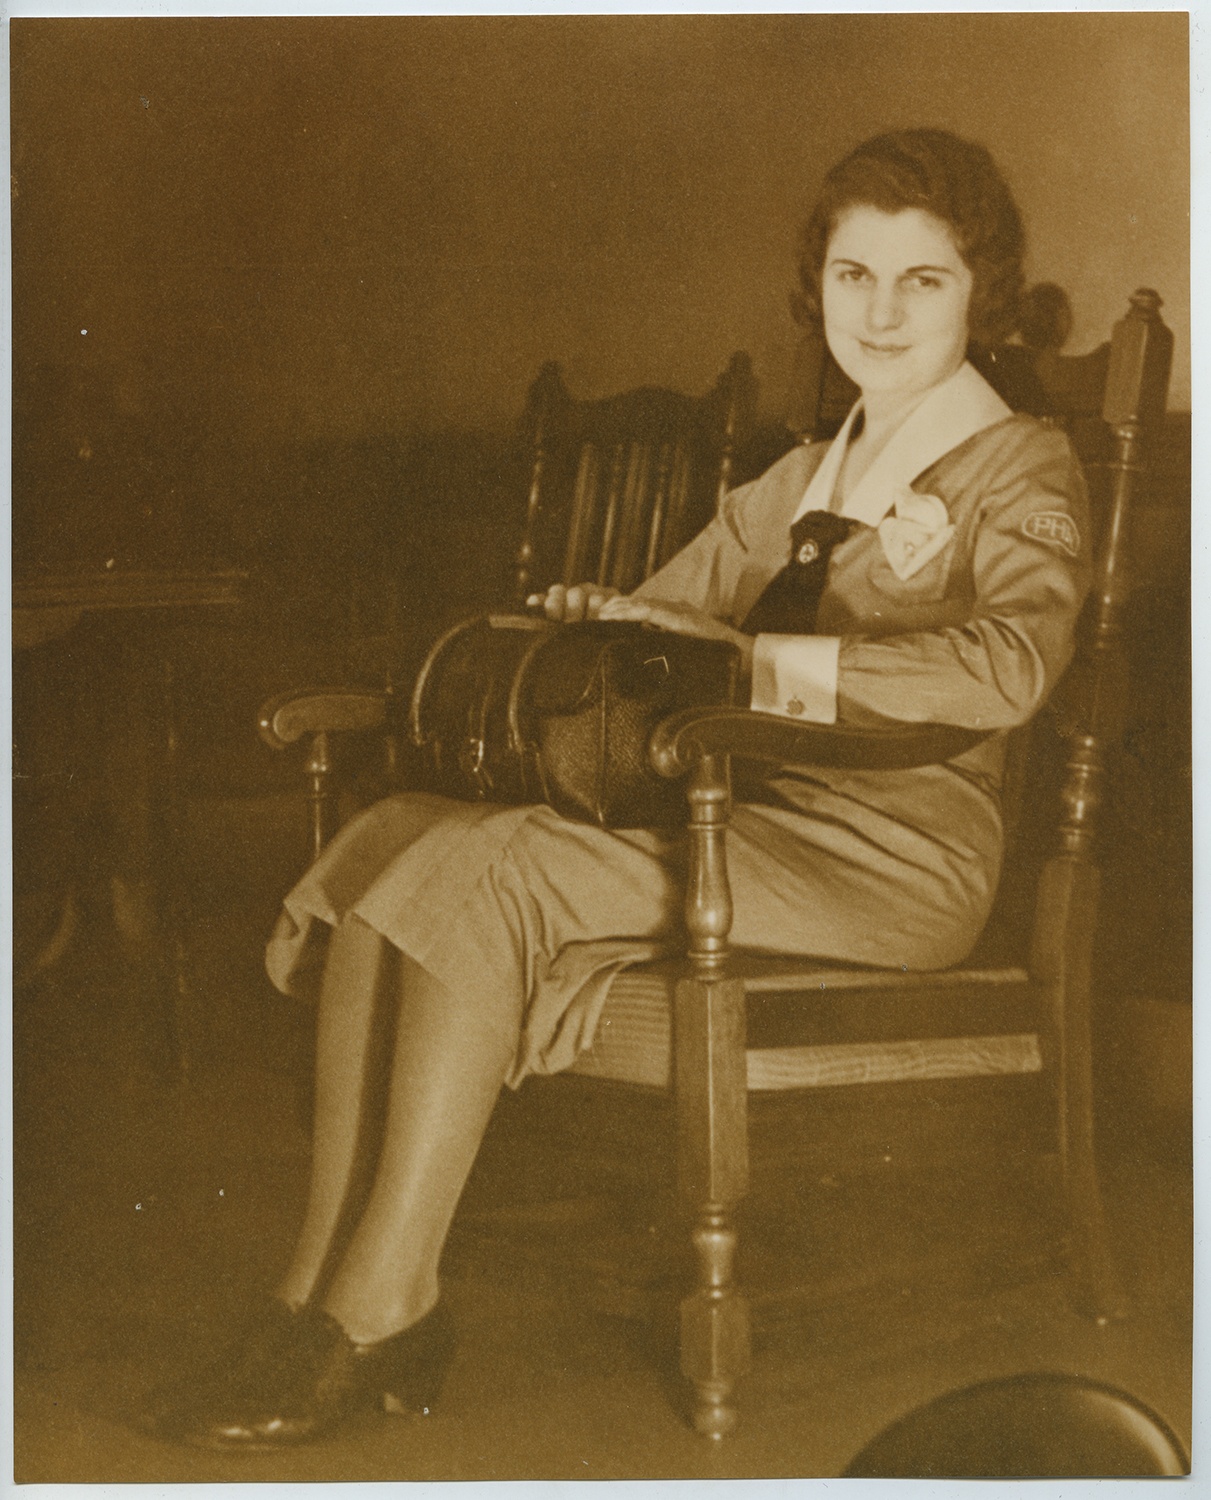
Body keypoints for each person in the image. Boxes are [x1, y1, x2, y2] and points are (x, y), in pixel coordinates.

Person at [148, 127, 1091, 1448]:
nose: (878, 311)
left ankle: (385, 1305)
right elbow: (666, 621)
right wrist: (594, 622)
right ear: (815, 288)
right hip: (752, 824)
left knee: (500, 864)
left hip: (901, 851)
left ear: (978, 295)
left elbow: (1005, 668)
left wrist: (756, 662)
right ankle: (313, 1289)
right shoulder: (802, 478)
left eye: (920, 281)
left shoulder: (1019, 465)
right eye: (851, 275)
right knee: (389, 841)